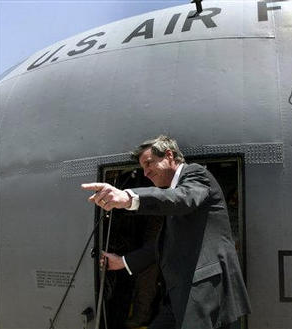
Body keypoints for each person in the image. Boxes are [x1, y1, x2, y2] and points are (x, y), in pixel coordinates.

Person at [82, 135, 251, 329]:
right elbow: (161, 247)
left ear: (169, 155)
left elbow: (183, 199)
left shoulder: (196, 175)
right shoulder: (172, 196)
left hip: (202, 292)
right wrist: (123, 262)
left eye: (149, 164)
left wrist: (129, 198)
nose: (145, 173)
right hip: (178, 296)